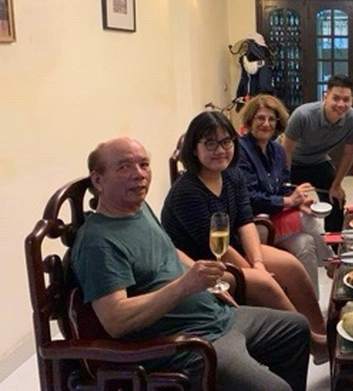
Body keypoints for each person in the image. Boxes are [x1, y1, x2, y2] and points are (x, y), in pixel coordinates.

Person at [71, 138, 310, 391]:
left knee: (295, 328)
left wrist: (207, 280)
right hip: (187, 342)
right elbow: (116, 320)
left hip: (217, 317)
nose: (139, 175)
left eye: (144, 164)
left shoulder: (137, 209)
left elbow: (169, 250)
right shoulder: (98, 242)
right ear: (98, 180)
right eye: (124, 167)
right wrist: (185, 285)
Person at [161, 111, 328, 364]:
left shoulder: (232, 175)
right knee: (264, 284)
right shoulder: (187, 192)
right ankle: (312, 343)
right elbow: (217, 246)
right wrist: (253, 272)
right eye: (210, 143)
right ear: (194, 149)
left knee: (292, 266)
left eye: (226, 142)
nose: (220, 150)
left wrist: (257, 263)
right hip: (199, 264)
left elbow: (245, 221)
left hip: (230, 249)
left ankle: (321, 334)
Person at [237, 93, 331, 291]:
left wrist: (297, 199)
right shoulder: (240, 150)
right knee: (308, 220)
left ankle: (312, 312)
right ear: (250, 120)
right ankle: (333, 263)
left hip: (274, 218)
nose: (266, 124)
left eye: (272, 119)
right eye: (260, 118)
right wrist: (288, 203)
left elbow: (281, 187)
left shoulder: (277, 150)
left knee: (305, 245)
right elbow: (249, 198)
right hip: (252, 226)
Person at [282, 75, 353, 232]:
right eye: (336, 98)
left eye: (346, 100)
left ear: (352, 100)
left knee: (337, 199)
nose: (341, 104)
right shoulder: (303, 115)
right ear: (325, 97)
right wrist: (285, 185)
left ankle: (334, 245)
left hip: (319, 160)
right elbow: (285, 150)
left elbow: (348, 154)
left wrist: (337, 184)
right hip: (292, 161)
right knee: (290, 204)